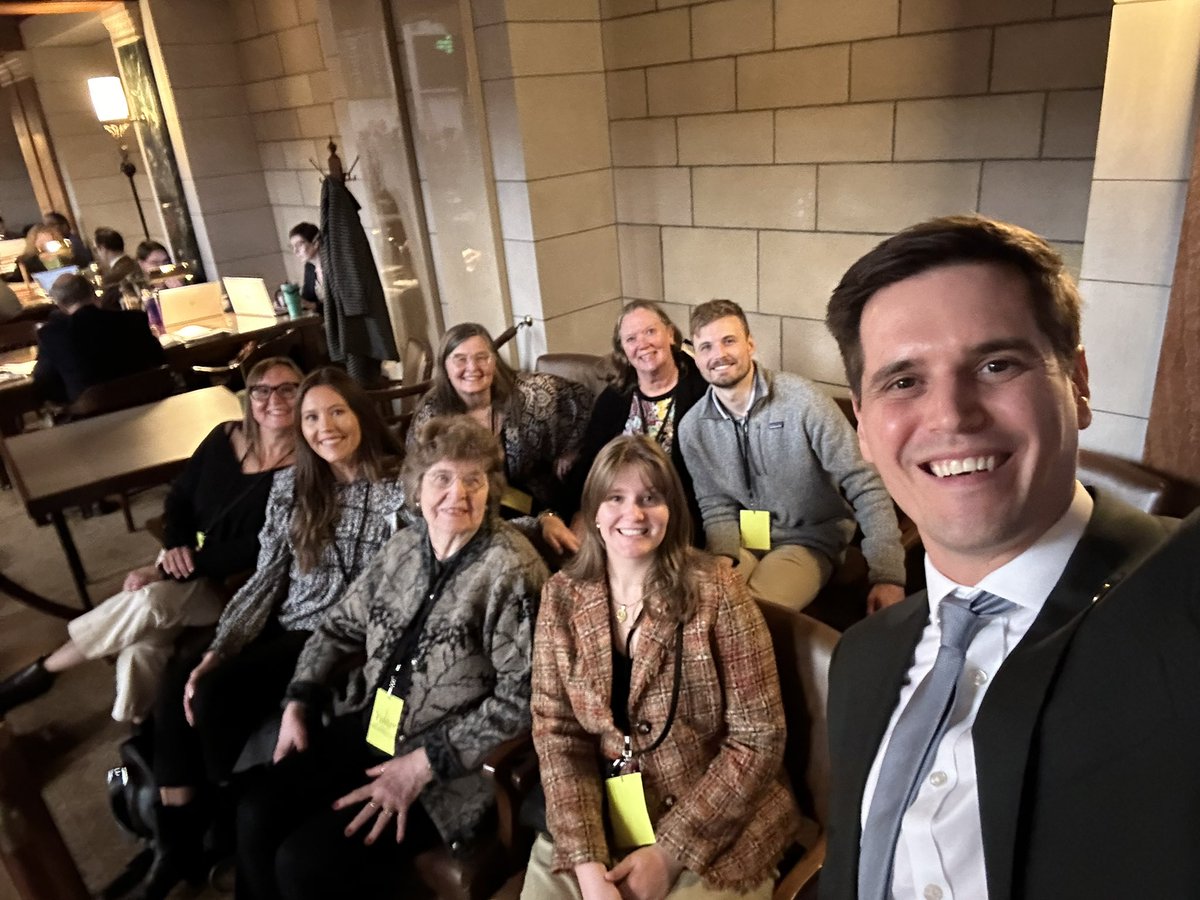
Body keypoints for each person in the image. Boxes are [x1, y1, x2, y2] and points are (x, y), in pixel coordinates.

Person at [820, 216, 1193, 900]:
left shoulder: (1179, 605)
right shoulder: (862, 660)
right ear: (864, 429)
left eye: (997, 365)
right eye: (903, 381)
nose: (952, 416)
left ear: (1078, 384)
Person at [237, 415, 548, 899]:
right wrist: (299, 701)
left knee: (303, 862)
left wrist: (424, 764)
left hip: (452, 769)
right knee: (256, 809)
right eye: (442, 477)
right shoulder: (403, 547)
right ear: (417, 485)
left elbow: (523, 699)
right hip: (373, 724)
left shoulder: (511, 570)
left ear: (492, 489)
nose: (457, 494)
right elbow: (338, 626)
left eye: (474, 480)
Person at [135, 367, 406, 900]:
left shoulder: (403, 485)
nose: (324, 427)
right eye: (310, 418)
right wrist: (222, 645)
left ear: (360, 416)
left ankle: (229, 819)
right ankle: (190, 835)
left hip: (338, 640)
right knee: (188, 674)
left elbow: (465, 523)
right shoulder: (294, 486)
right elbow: (267, 578)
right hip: (286, 620)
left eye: (336, 413)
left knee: (214, 695)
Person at [524, 435, 798, 900]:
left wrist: (669, 853)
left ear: (673, 510)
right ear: (593, 510)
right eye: (616, 498)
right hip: (601, 817)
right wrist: (588, 866)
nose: (633, 515)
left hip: (718, 821)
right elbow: (557, 733)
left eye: (650, 498)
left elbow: (759, 737)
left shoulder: (718, 590)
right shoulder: (562, 595)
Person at [0, 358, 302, 722]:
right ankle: (136, 721)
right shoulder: (226, 436)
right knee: (144, 644)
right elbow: (179, 499)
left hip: (236, 586)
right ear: (249, 397)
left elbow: (259, 549)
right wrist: (174, 546)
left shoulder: (304, 467)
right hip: (187, 560)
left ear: (304, 395)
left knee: (149, 601)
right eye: (262, 390)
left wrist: (166, 571)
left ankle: (44, 672)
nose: (275, 399)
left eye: (289, 389)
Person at [677, 299, 905, 614]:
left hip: (809, 539)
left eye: (729, 341)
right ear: (696, 357)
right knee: (699, 604)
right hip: (745, 541)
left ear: (750, 344)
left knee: (752, 613)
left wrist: (888, 574)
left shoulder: (803, 402)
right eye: (706, 347)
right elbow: (715, 504)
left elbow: (865, 483)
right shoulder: (692, 428)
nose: (718, 355)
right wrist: (721, 560)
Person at [409, 322, 594, 557]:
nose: (472, 367)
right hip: (465, 514)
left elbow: (587, 403)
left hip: (540, 505)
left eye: (481, 357)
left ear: (494, 361)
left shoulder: (531, 394)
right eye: (460, 359)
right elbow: (418, 478)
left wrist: (572, 449)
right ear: (445, 367)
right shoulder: (431, 412)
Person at [566, 301, 708, 539]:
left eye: (650, 332)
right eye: (631, 339)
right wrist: (577, 513)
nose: (643, 343)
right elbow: (590, 463)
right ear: (622, 349)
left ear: (670, 334)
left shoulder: (703, 391)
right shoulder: (613, 399)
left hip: (682, 519)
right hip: (623, 518)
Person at [31, 272, 166, 404]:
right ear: (94, 294)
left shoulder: (52, 336)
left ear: (60, 306)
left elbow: (44, 382)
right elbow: (160, 359)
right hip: (147, 405)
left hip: (92, 420)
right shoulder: (134, 319)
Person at [94, 226, 139, 309]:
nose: (97, 254)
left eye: (96, 249)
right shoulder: (135, 263)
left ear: (102, 248)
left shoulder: (111, 278)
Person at [288, 222, 323, 315]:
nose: (295, 251)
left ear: (316, 243)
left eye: (299, 245)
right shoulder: (310, 266)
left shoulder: (332, 267)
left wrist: (313, 306)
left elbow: (341, 304)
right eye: (292, 247)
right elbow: (307, 298)